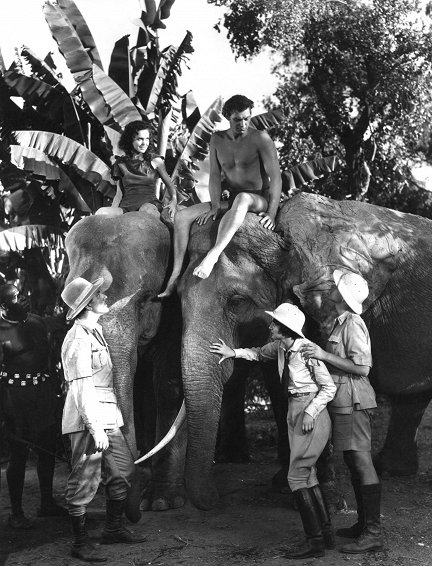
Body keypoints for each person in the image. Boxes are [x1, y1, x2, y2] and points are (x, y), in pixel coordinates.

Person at [210, 303, 337, 560]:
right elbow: (257, 354)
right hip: (294, 408)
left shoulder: (306, 351)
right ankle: (326, 535)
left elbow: (329, 388)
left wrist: (311, 412)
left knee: (297, 477)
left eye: (275, 324)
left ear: (286, 329)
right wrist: (232, 352)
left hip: (310, 410)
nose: (270, 326)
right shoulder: (280, 347)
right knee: (307, 474)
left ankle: (314, 543)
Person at [158, 94, 282, 297]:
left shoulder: (261, 138)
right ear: (227, 117)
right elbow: (214, 176)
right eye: (237, 119)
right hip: (231, 199)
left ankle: (213, 255)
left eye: (246, 118)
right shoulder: (217, 139)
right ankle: (175, 276)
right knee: (182, 216)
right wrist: (215, 206)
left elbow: (276, 177)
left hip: (257, 198)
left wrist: (272, 213)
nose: (242, 123)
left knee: (242, 198)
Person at [61, 276, 146, 563]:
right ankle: (80, 542)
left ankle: (113, 529)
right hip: (88, 420)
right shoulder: (77, 339)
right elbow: (81, 386)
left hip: (107, 416)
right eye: (99, 295)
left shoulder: (94, 332)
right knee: (85, 480)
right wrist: (94, 427)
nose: (105, 298)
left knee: (124, 471)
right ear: (88, 304)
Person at [300, 269, 384, 554]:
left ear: (344, 296)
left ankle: (373, 533)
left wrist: (324, 356)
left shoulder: (353, 323)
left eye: (336, 285)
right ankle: (364, 525)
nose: (332, 287)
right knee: (353, 462)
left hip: (355, 400)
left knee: (361, 462)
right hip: (345, 401)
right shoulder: (340, 322)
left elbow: (363, 367)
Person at [0, 284, 66, 529]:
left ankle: (46, 503)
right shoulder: (1, 330)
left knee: (47, 448)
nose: (24, 298)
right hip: (15, 399)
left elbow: (58, 327)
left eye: (23, 293)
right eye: (16, 297)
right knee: (18, 455)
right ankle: (17, 512)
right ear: (3, 305)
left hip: (43, 394)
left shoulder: (37, 321)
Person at [111, 120, 178, 218]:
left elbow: (170, 185)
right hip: (125, 208)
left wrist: (174, 201)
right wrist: (112, 212)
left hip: (150, 206)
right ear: (130, 140)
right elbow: (118, 194)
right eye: (140, 139)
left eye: (147, 139)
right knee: (102, 212)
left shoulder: (155, 160)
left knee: (146, 210)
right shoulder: (120, 163)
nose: (144, 143)